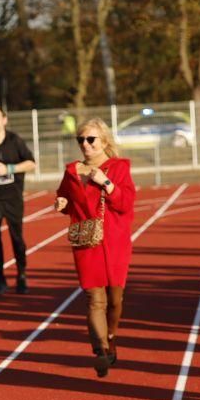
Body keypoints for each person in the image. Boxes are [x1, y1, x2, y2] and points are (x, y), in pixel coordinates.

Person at [55, 118, 136, 377]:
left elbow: (125, 203)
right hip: (86, 241)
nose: (85, 144)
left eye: (91, 139)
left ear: (104, 141)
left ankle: (111, 336)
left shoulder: (119, 167)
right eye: (81, 140)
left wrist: (106, 183)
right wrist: (61, 204)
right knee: (94, 299)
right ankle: (101, 350)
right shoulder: (72, 171)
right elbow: (65, 197)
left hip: (114, 240)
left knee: (114, 300)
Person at [0, 107, 36, 295]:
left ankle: (21, 275)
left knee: (16, 236)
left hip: (13, 196)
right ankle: (0, 279)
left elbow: (31, 163)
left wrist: (8, 169)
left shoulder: (15, 140)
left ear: (4, 120)